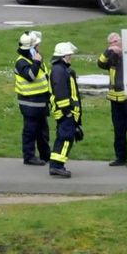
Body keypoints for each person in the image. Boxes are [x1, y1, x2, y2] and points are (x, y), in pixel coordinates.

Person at [98, 32, 127, 168]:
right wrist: (108, 51)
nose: (113, 46)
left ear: (121, 42)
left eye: (115, 43)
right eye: (110, 44)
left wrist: (122, 52)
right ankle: (120, 157)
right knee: (119, 130)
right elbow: (100, 63)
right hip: (114, 99)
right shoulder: (111, 56)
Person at [13, 30, 49, 166]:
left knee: (43, 132)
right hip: (29, 103)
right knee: (30, 131)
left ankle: (45, 155)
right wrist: (37, 63)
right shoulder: (21, 62)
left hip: (41, 102)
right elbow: (31, 76)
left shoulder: (35, 59)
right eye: (37, 46)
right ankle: (29, 157)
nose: (39, 48)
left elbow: (44, 77)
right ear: (31, 48)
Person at [48, 42, 82, 178]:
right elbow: (61, 93)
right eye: (69, 55)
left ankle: (56, 165)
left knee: (64, 138)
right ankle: (57, 166)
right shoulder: (59, 71)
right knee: (65, 138)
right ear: (63, 56)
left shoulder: (61, 70)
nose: (70, 58)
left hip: (66, 112)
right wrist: (67, 112)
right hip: (65, 112)